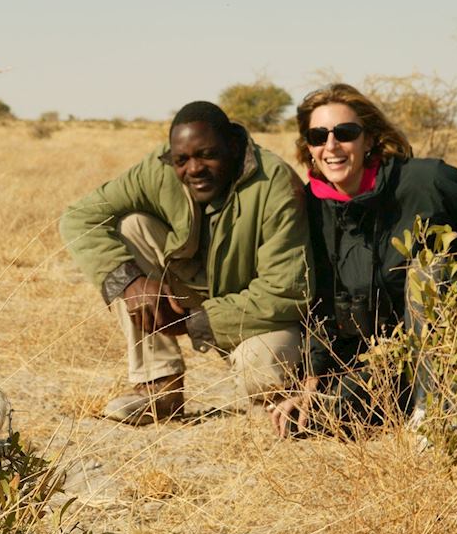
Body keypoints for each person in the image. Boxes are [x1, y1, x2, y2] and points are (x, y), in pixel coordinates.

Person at [271, 83, 457, 438]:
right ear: (309, 147)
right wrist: (312, 376)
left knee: (429, 269)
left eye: (345, 133)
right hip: (376, 360)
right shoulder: (310, 208)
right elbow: (319, 303)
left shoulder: (424, 180)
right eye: (318, 136)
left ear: (369, 139)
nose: (331, 146)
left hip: (439, 350)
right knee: (305, 420)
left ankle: (435, 413)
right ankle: (403, 410)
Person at [60, 101, 314, 425]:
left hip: (254, 313)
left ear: (233, 146)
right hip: (192, 289)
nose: (194, 169)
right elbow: (79, 218)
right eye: (182, 160)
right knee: (132, 226)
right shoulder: (160, 168)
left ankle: (276, 399)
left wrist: (197, 321)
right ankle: (159, 385)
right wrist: (131, 282)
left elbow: (288, 291)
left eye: (207, 155)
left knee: (262, 370)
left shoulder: (274, 183)